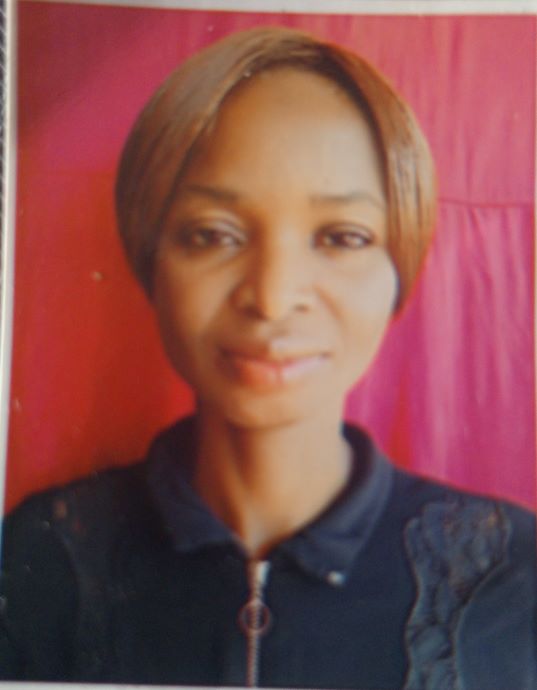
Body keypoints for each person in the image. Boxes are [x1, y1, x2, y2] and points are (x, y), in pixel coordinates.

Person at [0, 26, 535, 689]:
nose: (274, 297)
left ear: (400, 271)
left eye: (341, 237)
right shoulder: (39, 555)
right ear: (149, 262)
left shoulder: (515, 577)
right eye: (212, 234)